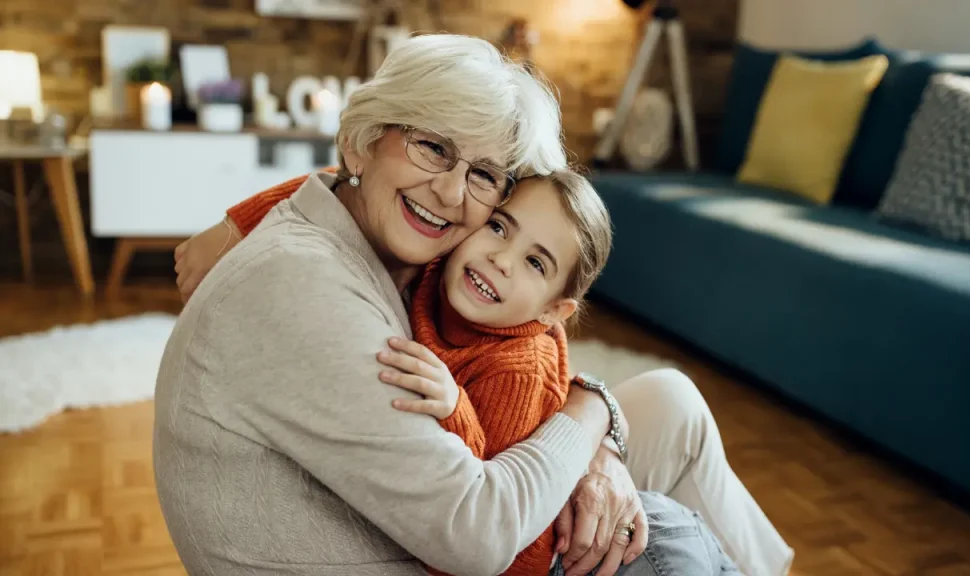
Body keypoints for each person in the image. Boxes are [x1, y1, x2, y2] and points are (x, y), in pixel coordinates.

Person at [159, 33, 793, 576]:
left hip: (436, 520)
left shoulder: (422, 241)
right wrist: (591, 412)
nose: (451, 191)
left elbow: (536, 318)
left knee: (673, 401)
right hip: (459, 550)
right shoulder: (306, 285)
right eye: (433, 146)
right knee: (665, 504)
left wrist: (598, 436)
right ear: (358, 142)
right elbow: (480, 535)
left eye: (485, 174)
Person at [197, 166, 743, 576]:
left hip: (555, 555)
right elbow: (345, 182)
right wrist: (229, 226)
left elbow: (510, 534)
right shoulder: (444, 262)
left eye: (535, 262)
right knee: (675, 400)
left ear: (554, 311)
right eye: (501, 227)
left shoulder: (515, 370)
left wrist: (455, 407)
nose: (501, 259)